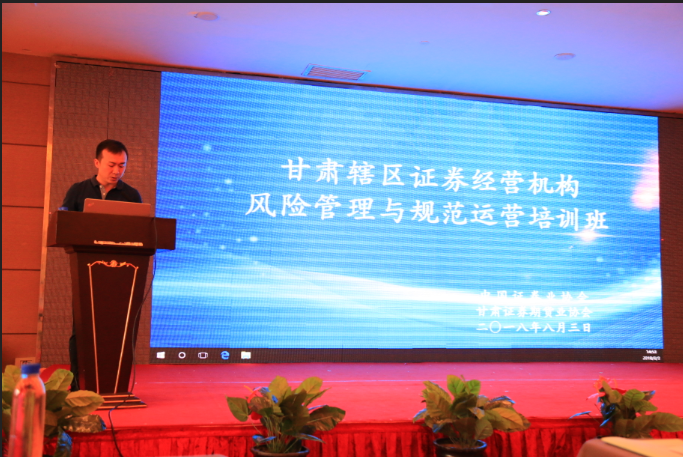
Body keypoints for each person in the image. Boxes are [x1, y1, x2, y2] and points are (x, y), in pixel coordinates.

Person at [62, 139, 142, 390]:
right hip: (87, 271)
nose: (117, 171)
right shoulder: (78, 190)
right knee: (82, 329)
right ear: (97, 163)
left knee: (116, 329)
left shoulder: (131, 195)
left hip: (122, 275)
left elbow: (140, 233)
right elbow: (64, 225)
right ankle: (78, 385)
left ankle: (113, 385)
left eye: (122, 165)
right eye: (111, 165)